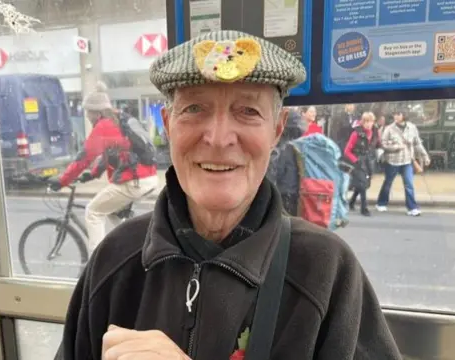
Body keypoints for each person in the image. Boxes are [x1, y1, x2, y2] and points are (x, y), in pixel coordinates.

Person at [60, 30, 400, 360]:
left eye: (248, 111)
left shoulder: (326, 271)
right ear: (168, 124)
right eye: (195, 109)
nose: (219, 138)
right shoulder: (116, 261)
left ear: (277, 129)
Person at [48, 82, 158, 250]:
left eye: (88, 112)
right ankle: (134, 248)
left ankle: (96, 263)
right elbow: (112, 152)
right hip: (147, 178)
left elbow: (83, 157)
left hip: (134, 181)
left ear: (97, 112)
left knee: (93, 212)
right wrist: (92, 174)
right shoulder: (120, 118)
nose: (87, 115)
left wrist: (62, 180)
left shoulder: (104, 126)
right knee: (113, 212)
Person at [377, 109, 430, 216]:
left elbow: (417, 143)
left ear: (404, 115)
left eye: (398, 114)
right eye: (394, 114)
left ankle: (412, 208)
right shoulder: (389, 129)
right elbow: (383, 144)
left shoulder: (412, 127)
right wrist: (396, 147)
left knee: (409, 184)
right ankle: (381, 203)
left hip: (407, 160)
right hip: (392, 161)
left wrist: (425, 156)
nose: (396, 116)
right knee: (388, 183)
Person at [344, 112, 380, 216]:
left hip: (368, 161)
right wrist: (355, 160)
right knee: (363, 184)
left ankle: (351, 202)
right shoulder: (356, 133)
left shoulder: (373, 132)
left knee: (363, 184)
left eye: (371, 122)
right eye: (367, 122)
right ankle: (364, 209)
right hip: (357, 161)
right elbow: (347, 151)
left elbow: (375, 145)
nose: (369, 124)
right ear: (362, 122)